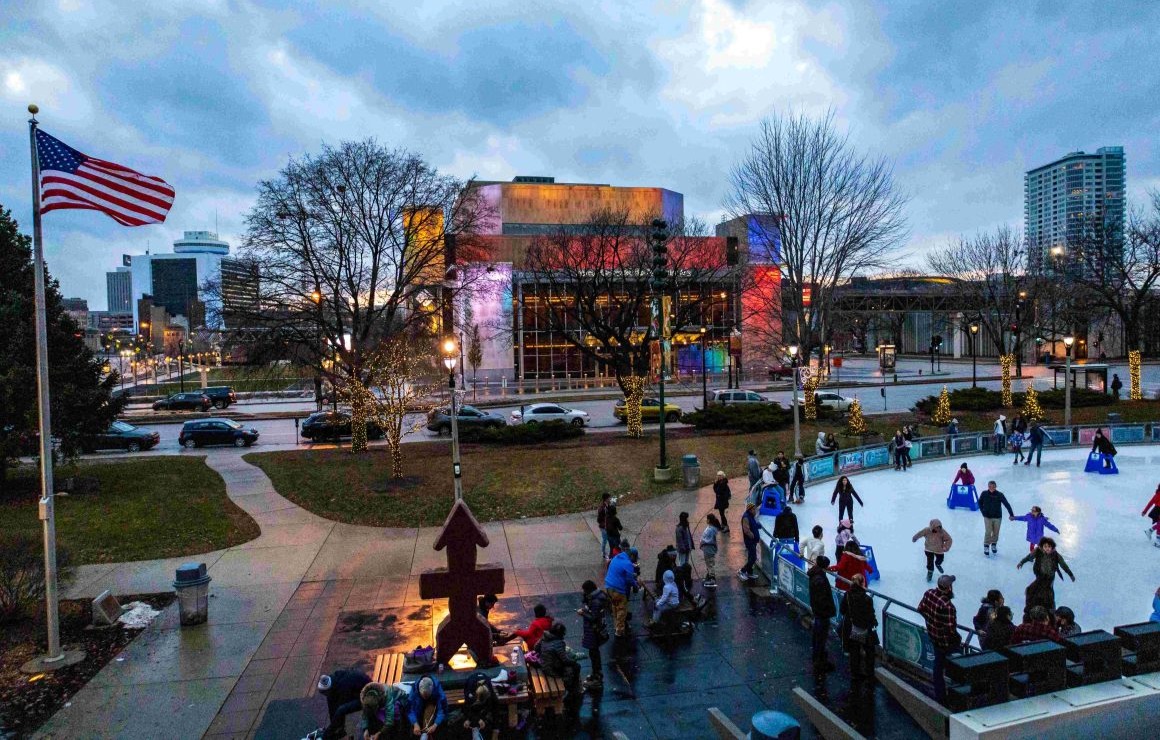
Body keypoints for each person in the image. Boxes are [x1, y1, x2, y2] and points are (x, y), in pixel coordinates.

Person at [918, 574, 962, 704]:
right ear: (949, 588)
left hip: (934, 638)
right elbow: (950, 629)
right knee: (959, 667)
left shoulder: (929, 594)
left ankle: (940, 695)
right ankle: (957, 695)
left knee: (938, 668)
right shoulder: (948, 606)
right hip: (947, 643)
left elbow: (920, 609)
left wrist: (931, 622)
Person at [1017, 537, 1075, 615]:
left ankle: (1051, 608)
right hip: (1040, 575)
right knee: (1034, 589)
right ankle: (1035, 605)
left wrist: (1070, 574)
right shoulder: (1038, 551)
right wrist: (1022, 562)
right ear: (1042, 547)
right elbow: (1029, 556)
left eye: (1049, 547)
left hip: (1050, 577)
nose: (1047, 548)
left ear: (1052, 547)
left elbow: (1063, 564)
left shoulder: (1055, 555)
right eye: (1045, 546)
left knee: (1049, 591)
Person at [311, 669, 371, 740]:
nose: (324, 695)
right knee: (332, 700)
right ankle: (338, 731)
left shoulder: (343, 687)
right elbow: (332, 708)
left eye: (324, 692)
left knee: (341, 710)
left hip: (369, 696)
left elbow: (341, 710)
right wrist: (333, 725)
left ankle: (338, 732)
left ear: (328, 689)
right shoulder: (334, 682)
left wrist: (327, 733)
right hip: (358, 692)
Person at [538, 623, 582, 717]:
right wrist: (573, 661)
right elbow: (565, 660)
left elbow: (535, 648)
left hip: (544, 665)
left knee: (570, 666)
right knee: (576, 667)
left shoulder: (544, 637)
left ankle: (572, 687)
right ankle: (572, 689)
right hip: (552, 669)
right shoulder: (558, 643)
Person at [840, 572, 878, 681]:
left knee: (854, 650)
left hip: (851, 626)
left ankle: (855, 672)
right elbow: (870, 614)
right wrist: (873, 622)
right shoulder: (867, 599)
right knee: (869, 650)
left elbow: (842, 610)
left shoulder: (847, 595)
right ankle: (869, 673)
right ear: (862, 583)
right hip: (863, 627)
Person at [577, 580, 609, 687]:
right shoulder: (596, 598)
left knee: (594, 654)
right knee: (593, 653)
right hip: (594, 630)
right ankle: (595, 674)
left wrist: (583, 613)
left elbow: (593, 617)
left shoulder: (596, 602)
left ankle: (597, 677)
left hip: (594, 631)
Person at [808, 555, 836, 672]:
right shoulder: (819, 579)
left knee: (819, 637)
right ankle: (819, 662)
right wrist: (827, 610)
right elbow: (821, 599)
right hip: (822, 613)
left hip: (819, 613)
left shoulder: (816, 575)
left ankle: (820, 660)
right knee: (820, 637)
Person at [451, 672, 498, 740]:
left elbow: (490, 706)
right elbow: (466, 707)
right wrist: (471, 719)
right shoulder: (470, 691)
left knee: (484, 714)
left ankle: (476, 729)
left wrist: (482, 719)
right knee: (471, 713)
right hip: (471, 686)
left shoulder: (490, 693)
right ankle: (474, 729)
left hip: (483, 688)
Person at [604, 547, 639, 637]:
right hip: (618, 590)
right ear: (631, 555)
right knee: (622, 610)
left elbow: (620, 573)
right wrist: (636, 586)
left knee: (615, 607)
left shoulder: (616, 557)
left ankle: (616, 626)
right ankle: (619, 631)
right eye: (635, 558)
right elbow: (629, 580)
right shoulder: (627, 563)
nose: (634, 561)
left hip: (608, 587)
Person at [978, 481, 1015, 556]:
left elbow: (1006, 504)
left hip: (997, 517)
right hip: (987, 516)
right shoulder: (984, 493)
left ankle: (994, 544)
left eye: (993, 487)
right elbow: (979, 502)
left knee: (996, 532)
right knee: (988, 531)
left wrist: (1011, 514)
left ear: (995, 487)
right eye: (990, 486)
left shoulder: (999, 494)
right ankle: (986, 545)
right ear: (988, 487)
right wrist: (983, 512)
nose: (991, 488)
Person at [739, 502, 760, 582]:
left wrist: (758, 526)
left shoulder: (751, 516)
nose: (755, 511)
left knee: (751, 557)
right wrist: (753, 536)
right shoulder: (746, 517)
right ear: (750, 510)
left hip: (753, 541)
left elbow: (753, 525)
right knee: (753, 558)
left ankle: (749, 572)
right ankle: (743, 571)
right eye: (754, 509)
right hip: (750, 541)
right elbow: (746, 530)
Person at [700, 514, 721, 585]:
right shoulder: (712, 528)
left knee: (710, 564)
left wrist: (702, 542)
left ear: (709, 520)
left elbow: (707, 539)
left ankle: (712, 579)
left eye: (707, 519)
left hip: (708, 549)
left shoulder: (710, 529)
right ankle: (709, 576)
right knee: (708, 563)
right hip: (708, 549)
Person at [597, 493, 612, 561]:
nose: (610, 499)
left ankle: (610, 552)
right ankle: (604, 553)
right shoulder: (602, 507)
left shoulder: (608, 505)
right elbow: (599, 519)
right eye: (609, 498)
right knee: (605, 540)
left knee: (609, 539)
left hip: (607, 526)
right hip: (604, 527)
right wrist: (604, 524)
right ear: (606, 499)